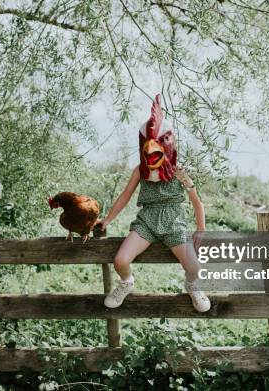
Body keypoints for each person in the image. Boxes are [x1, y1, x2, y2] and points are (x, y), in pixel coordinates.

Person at [97, 94, 210, 312]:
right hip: (147, 221)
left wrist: (201, 229)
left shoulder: (180, 172)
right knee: (120, 260)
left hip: (174, 222)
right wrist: (108, 219)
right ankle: (126, 282)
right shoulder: (140, 171)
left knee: (194, 266)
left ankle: (193, 286)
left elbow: (196, 200)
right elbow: (126, 194)